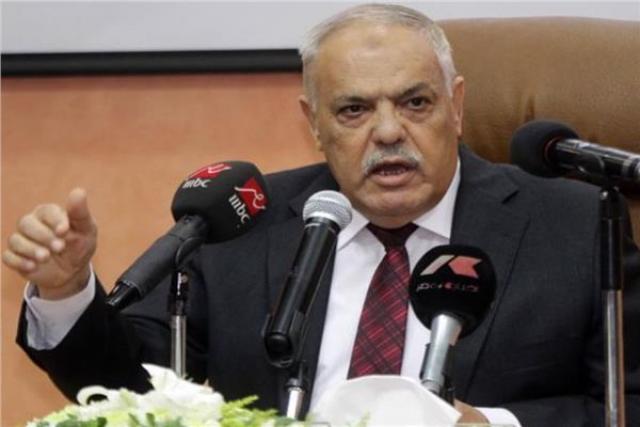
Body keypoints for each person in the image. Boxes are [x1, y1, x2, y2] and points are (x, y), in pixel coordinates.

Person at [4, 4, 640, 426]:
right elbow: (136, 393)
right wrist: (67, 291)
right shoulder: (242, 221)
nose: (388, 132)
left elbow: (627, 402)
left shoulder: (575, 225)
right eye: (354, 110)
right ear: (313, 123)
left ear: (457, 106)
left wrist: (494, 425)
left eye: (415, 103)